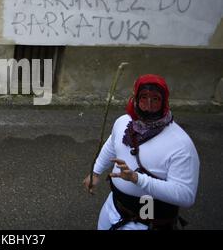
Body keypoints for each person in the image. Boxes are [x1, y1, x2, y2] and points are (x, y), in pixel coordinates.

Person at [83, 74, 200, 230]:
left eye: (156, 99)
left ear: (165, 102)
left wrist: (137, 178)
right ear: (135, 97)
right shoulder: (124, 122)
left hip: (146, 223)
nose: (149, 104)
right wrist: (96, 172)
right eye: (144, 97)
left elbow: (186, 195)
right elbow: (112, 145)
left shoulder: (180, 145)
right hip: (113, 206)